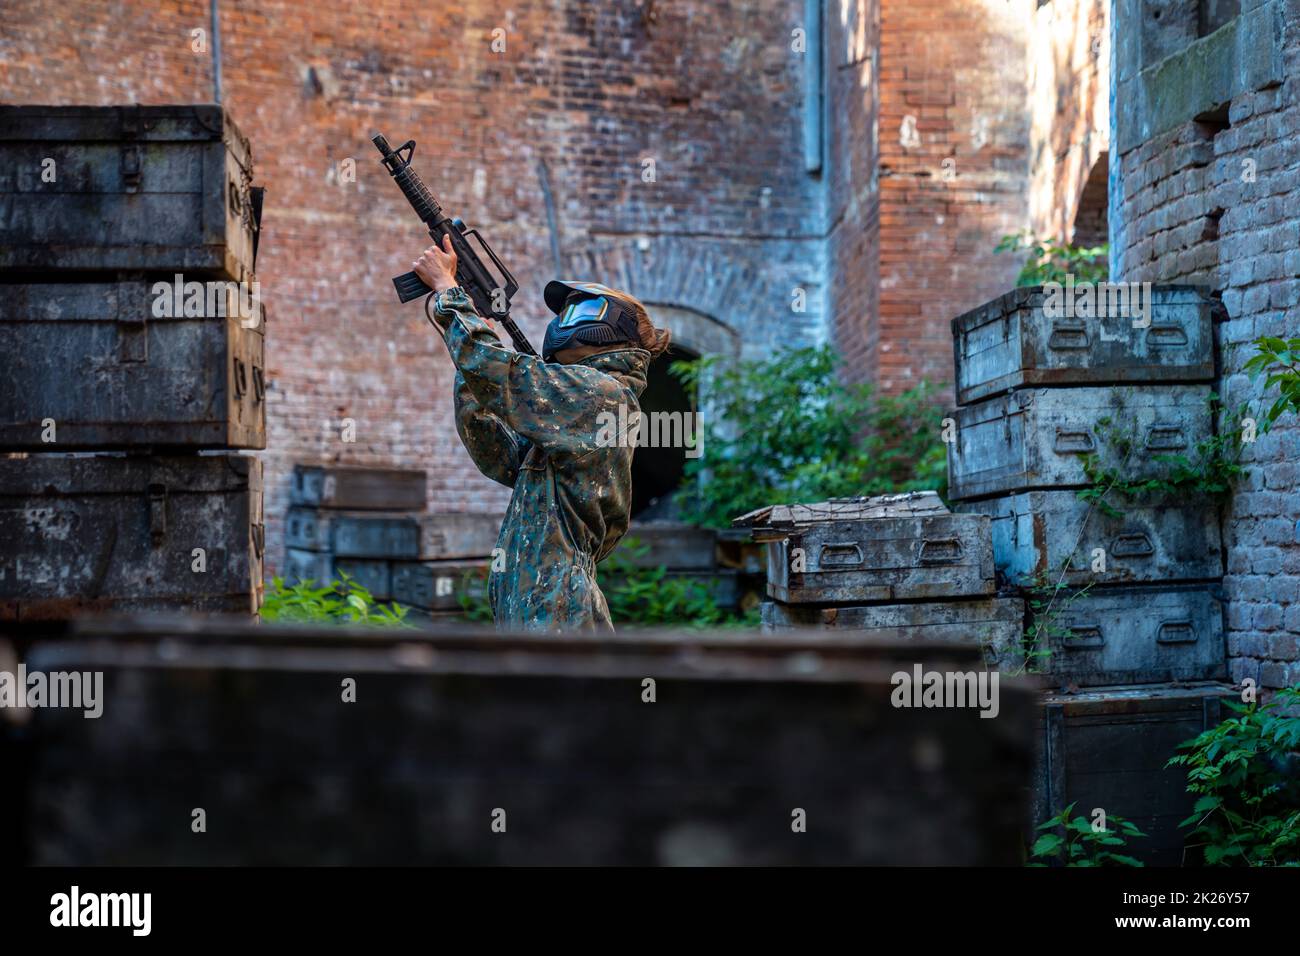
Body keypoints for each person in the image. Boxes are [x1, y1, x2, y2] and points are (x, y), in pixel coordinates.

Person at [412, 236, 671, 631]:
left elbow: (503, 376)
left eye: (579, 309)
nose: (563, 319)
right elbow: (496, 453)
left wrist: (449, 292)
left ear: (613, 328)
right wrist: (470, 368)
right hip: (534, 603)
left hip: (558, 609)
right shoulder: (576, 406)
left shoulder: (602, 395)